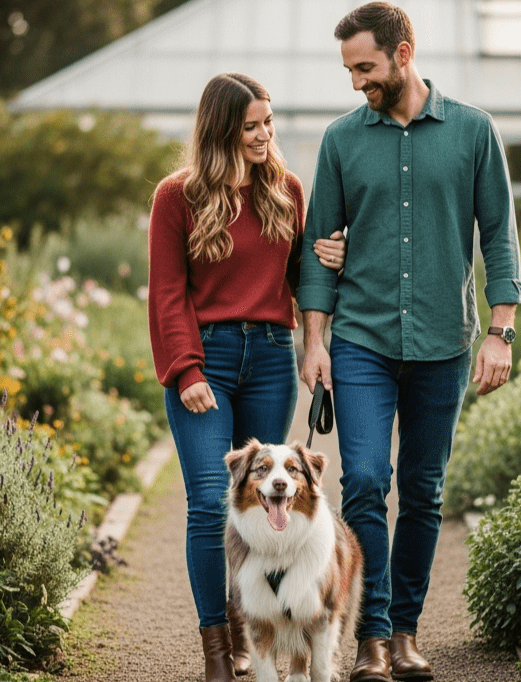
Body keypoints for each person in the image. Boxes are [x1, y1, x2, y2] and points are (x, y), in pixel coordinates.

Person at [297, 4, 521, 681]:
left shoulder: (473, 131)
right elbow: (317, 251)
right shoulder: (341, 141)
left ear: (403, 53)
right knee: (364, 481)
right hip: (362, 339)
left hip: (442, 342)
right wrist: (315, 340)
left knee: (422, 492)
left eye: (364, 68)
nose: (355, 83)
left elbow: (499, 237)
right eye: (348, 70)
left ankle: (404, 633)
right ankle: (368, 638)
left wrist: (500, 333)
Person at [147, 72, 346, 682]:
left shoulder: (283, 189)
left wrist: (327, 262)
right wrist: (184, 369)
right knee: (211, 505)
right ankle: (216, 648)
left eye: (269, 123)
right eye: (251, 126)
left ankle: (247, 634)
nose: (265, 135)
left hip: (268, 360)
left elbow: (297, 278)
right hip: (204, 359)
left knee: (264, 500)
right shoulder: (176, 197)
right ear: (221, 132)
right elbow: (167, 293)